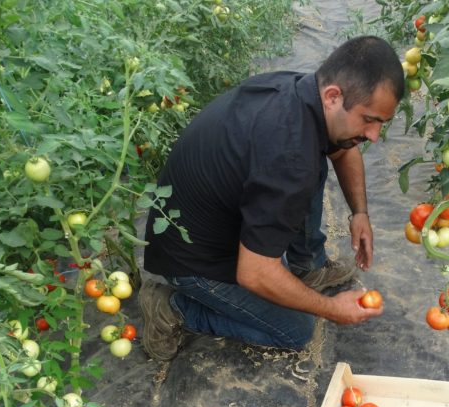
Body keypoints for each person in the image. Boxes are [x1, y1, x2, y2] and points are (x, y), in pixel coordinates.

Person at [139, 36, 405, 361]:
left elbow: (341, 151)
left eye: (382, 122)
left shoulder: (302, 93)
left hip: (198, 218)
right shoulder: (290, 156)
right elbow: (255, 273)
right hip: (192, 260)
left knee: (319, 158)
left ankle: (307, 265)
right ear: (334, 96)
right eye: (369, 119)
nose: (374, 136)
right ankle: (172, 308)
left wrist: (359, 213)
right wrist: (331, 308)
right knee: (296, 330)